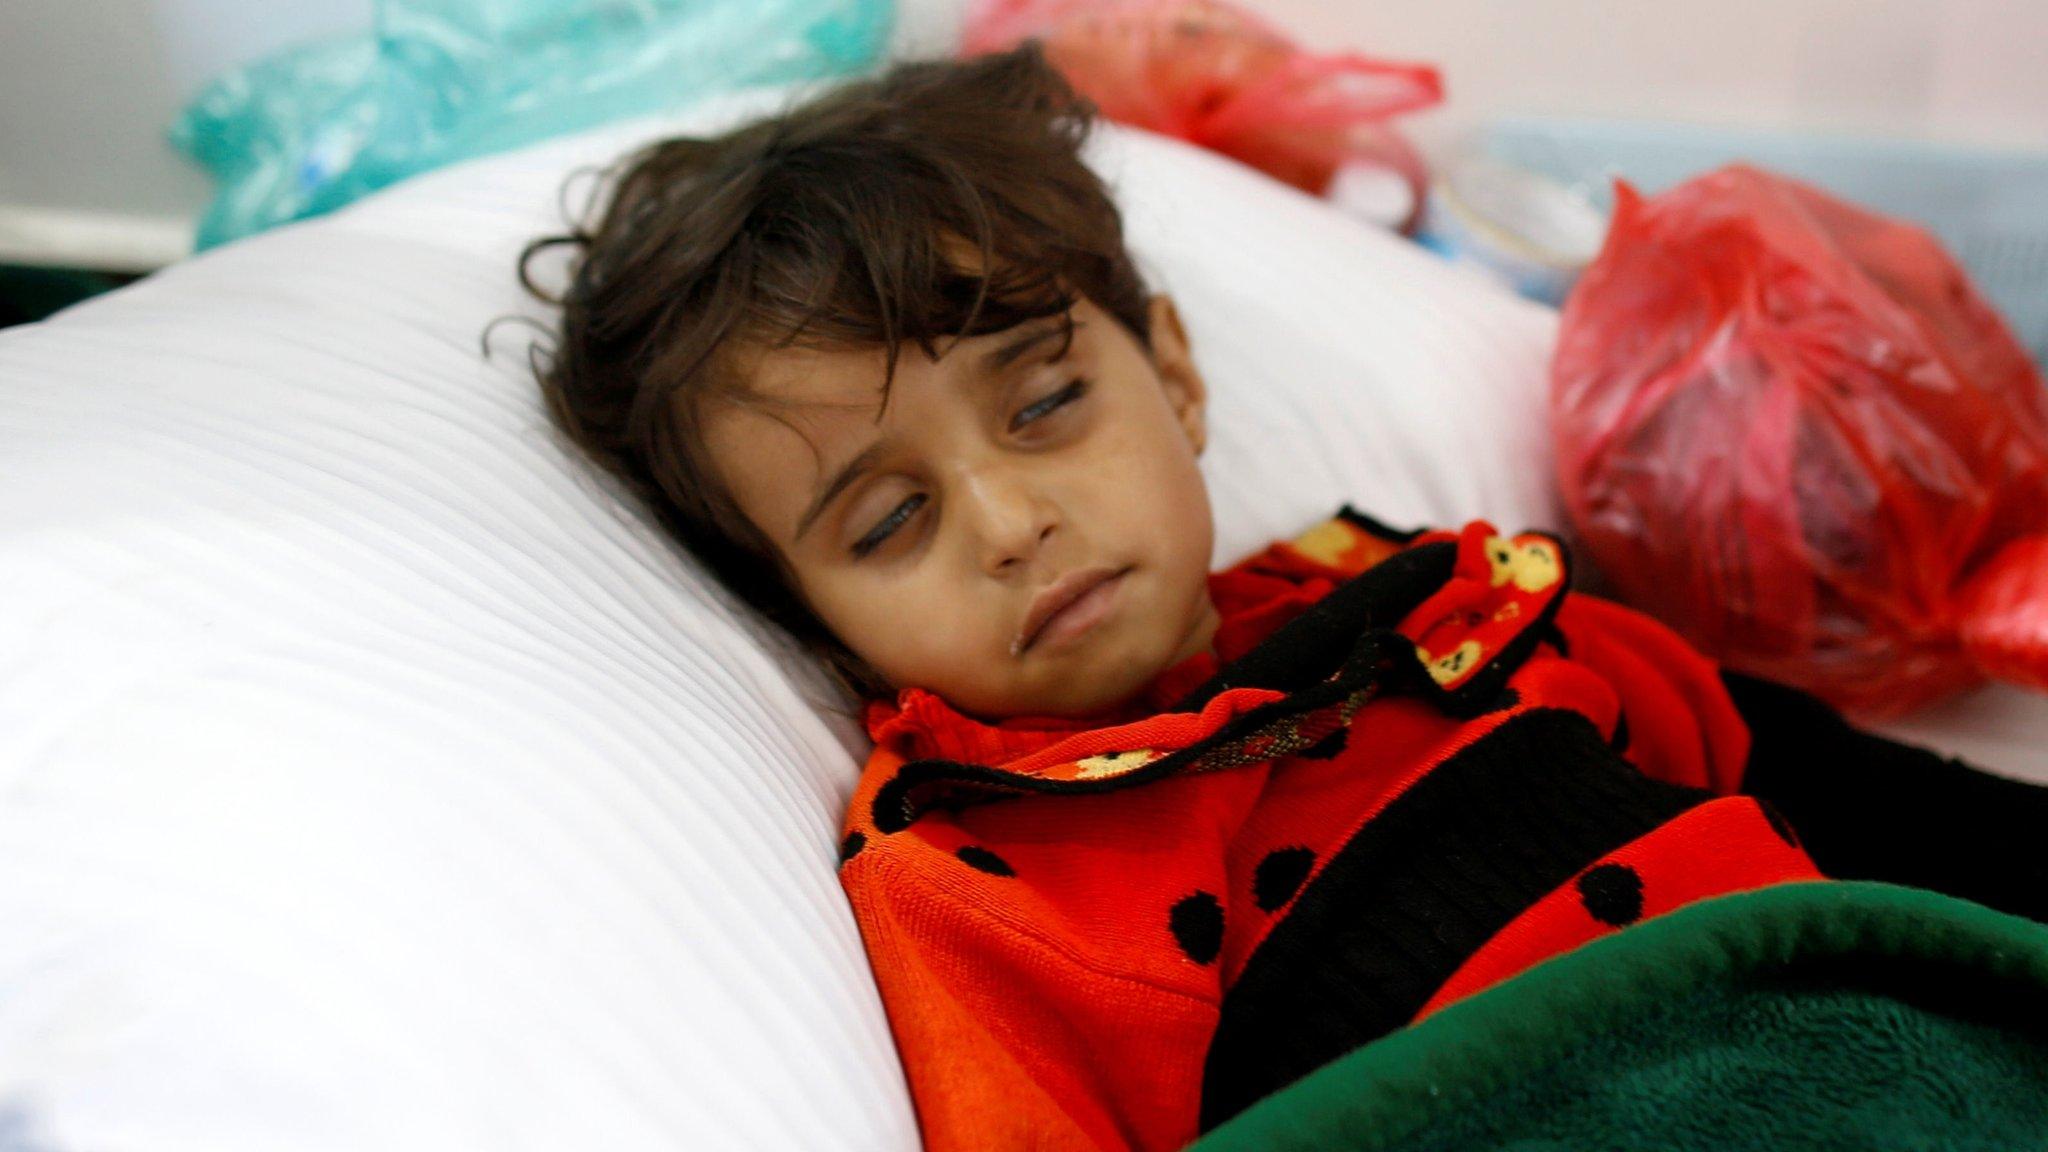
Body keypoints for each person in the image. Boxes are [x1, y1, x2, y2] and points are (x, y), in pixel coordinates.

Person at [519, 44, 2048, 1152]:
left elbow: (1827, 784)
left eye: (1044, 406)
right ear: (807, 608)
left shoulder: (1441, 596)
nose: (1010, 520)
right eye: (891, 517)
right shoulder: (984, 869)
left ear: (1171, 372)